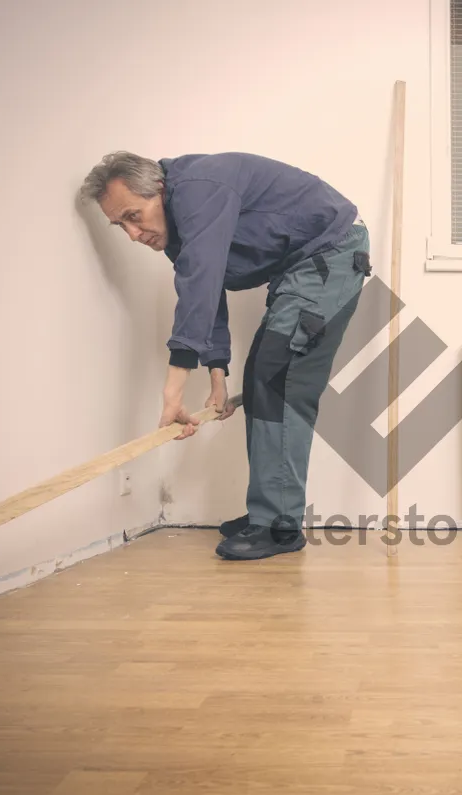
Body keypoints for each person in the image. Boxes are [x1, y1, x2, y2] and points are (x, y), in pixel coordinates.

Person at [79, 151, 371, 561]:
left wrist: (173, 390)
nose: (132, 234)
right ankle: (269, 512)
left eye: (134, 215)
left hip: (331, 254)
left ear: (158, 190)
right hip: (303, 265)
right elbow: (207, 288)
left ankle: (279, 526)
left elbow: (199, 285)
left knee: (278, 382)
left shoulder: (200, 189)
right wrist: (218, 376)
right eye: (120, 225)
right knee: (263, 381)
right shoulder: (179, 222)